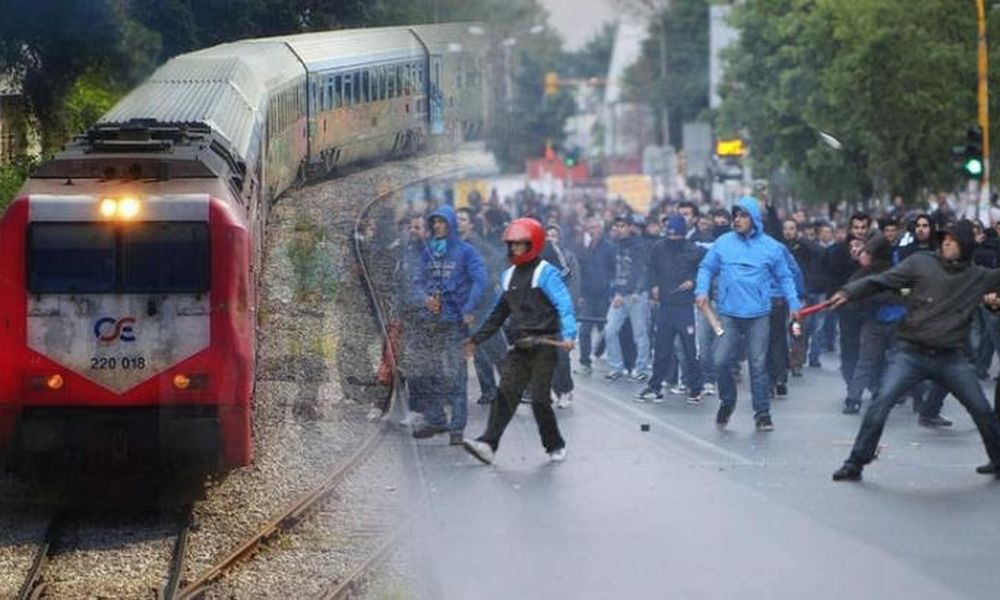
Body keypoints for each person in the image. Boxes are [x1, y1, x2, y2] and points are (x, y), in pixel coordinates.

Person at [830, 220, 1000, 481]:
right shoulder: (921, 262)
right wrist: (849, 291)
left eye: (953, 240)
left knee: (982, 410)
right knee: (881, 403)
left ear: (965, 246)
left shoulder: (978, 277)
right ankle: (855, 462)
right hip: (911, 353)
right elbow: (881, 281)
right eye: (944, 238)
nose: (946, 243)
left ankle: (998, 461)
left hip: (950, 357)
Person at [462, 218, 577, 465]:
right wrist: (476, 339)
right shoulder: (508, 276)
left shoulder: (545, 273)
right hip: (520, 346)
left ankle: (555, 444)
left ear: (532, 244)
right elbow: (498, 313)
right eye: (511, 244)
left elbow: (564, 305)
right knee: (505, 395)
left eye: (520, 244)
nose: (514, 249)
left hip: (545, 345)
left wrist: (568, 335)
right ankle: (487, 444)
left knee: (538, 399)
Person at [695, 197, 802, 431]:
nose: (737, 220)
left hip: (758, 315)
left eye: (743, 216)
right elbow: (706, 268)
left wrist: (794, 303)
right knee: (720, 360)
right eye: (736, 215)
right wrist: (701, 290)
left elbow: (785, 276)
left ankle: (762, 413)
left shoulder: (771, 247)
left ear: (754, 219)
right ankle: (728, 401)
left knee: (758, 364)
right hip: (728, 315)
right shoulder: (723, 243)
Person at [409, 205, 487, 444]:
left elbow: (480, 280)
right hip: (430, 321)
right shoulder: (427, 252)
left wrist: (469, 307)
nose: (436, 226)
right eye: (434, 222)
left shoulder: (466, 251)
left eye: (441, 222)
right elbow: (416, 280)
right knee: (426, 371)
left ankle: (457, 427)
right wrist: (424, 298)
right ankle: (436, 418)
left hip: (455, 321)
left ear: (450, 224)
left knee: (456, 373)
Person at [636, 215, 705, 404]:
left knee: (690, 350)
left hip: (685, 307)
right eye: (670, 236)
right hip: (665, 305)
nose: (672, 239)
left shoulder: (693, 249)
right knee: (661, 349)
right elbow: (650, 267)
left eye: (676, 236)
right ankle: (655, 386)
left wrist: (694, 281)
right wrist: (654, 285)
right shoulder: (659, 247)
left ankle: (695, 388)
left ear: (682, 234)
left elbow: (705, 268)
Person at [603, 214, 652, 381]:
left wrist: (624, 293)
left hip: (636, 295)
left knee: (640, 333)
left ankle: (642, 368)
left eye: (623, 225)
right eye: (617, 226)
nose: (619, 229)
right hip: (619, 295)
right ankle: (616, 366)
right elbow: (612, 271)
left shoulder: (640, 245)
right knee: (610, 330)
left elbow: (638, 271)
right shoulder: (615, 245)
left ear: (631, 227)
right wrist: (613, 292)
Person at [541, 224, 580, 408]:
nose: (550, 238)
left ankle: (566, 389)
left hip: (562, 311)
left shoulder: (567, 257)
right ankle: (554, 390)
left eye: (554, 235)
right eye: (547, 235)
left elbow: (572, 281)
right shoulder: (541, 256)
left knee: (562, 354)